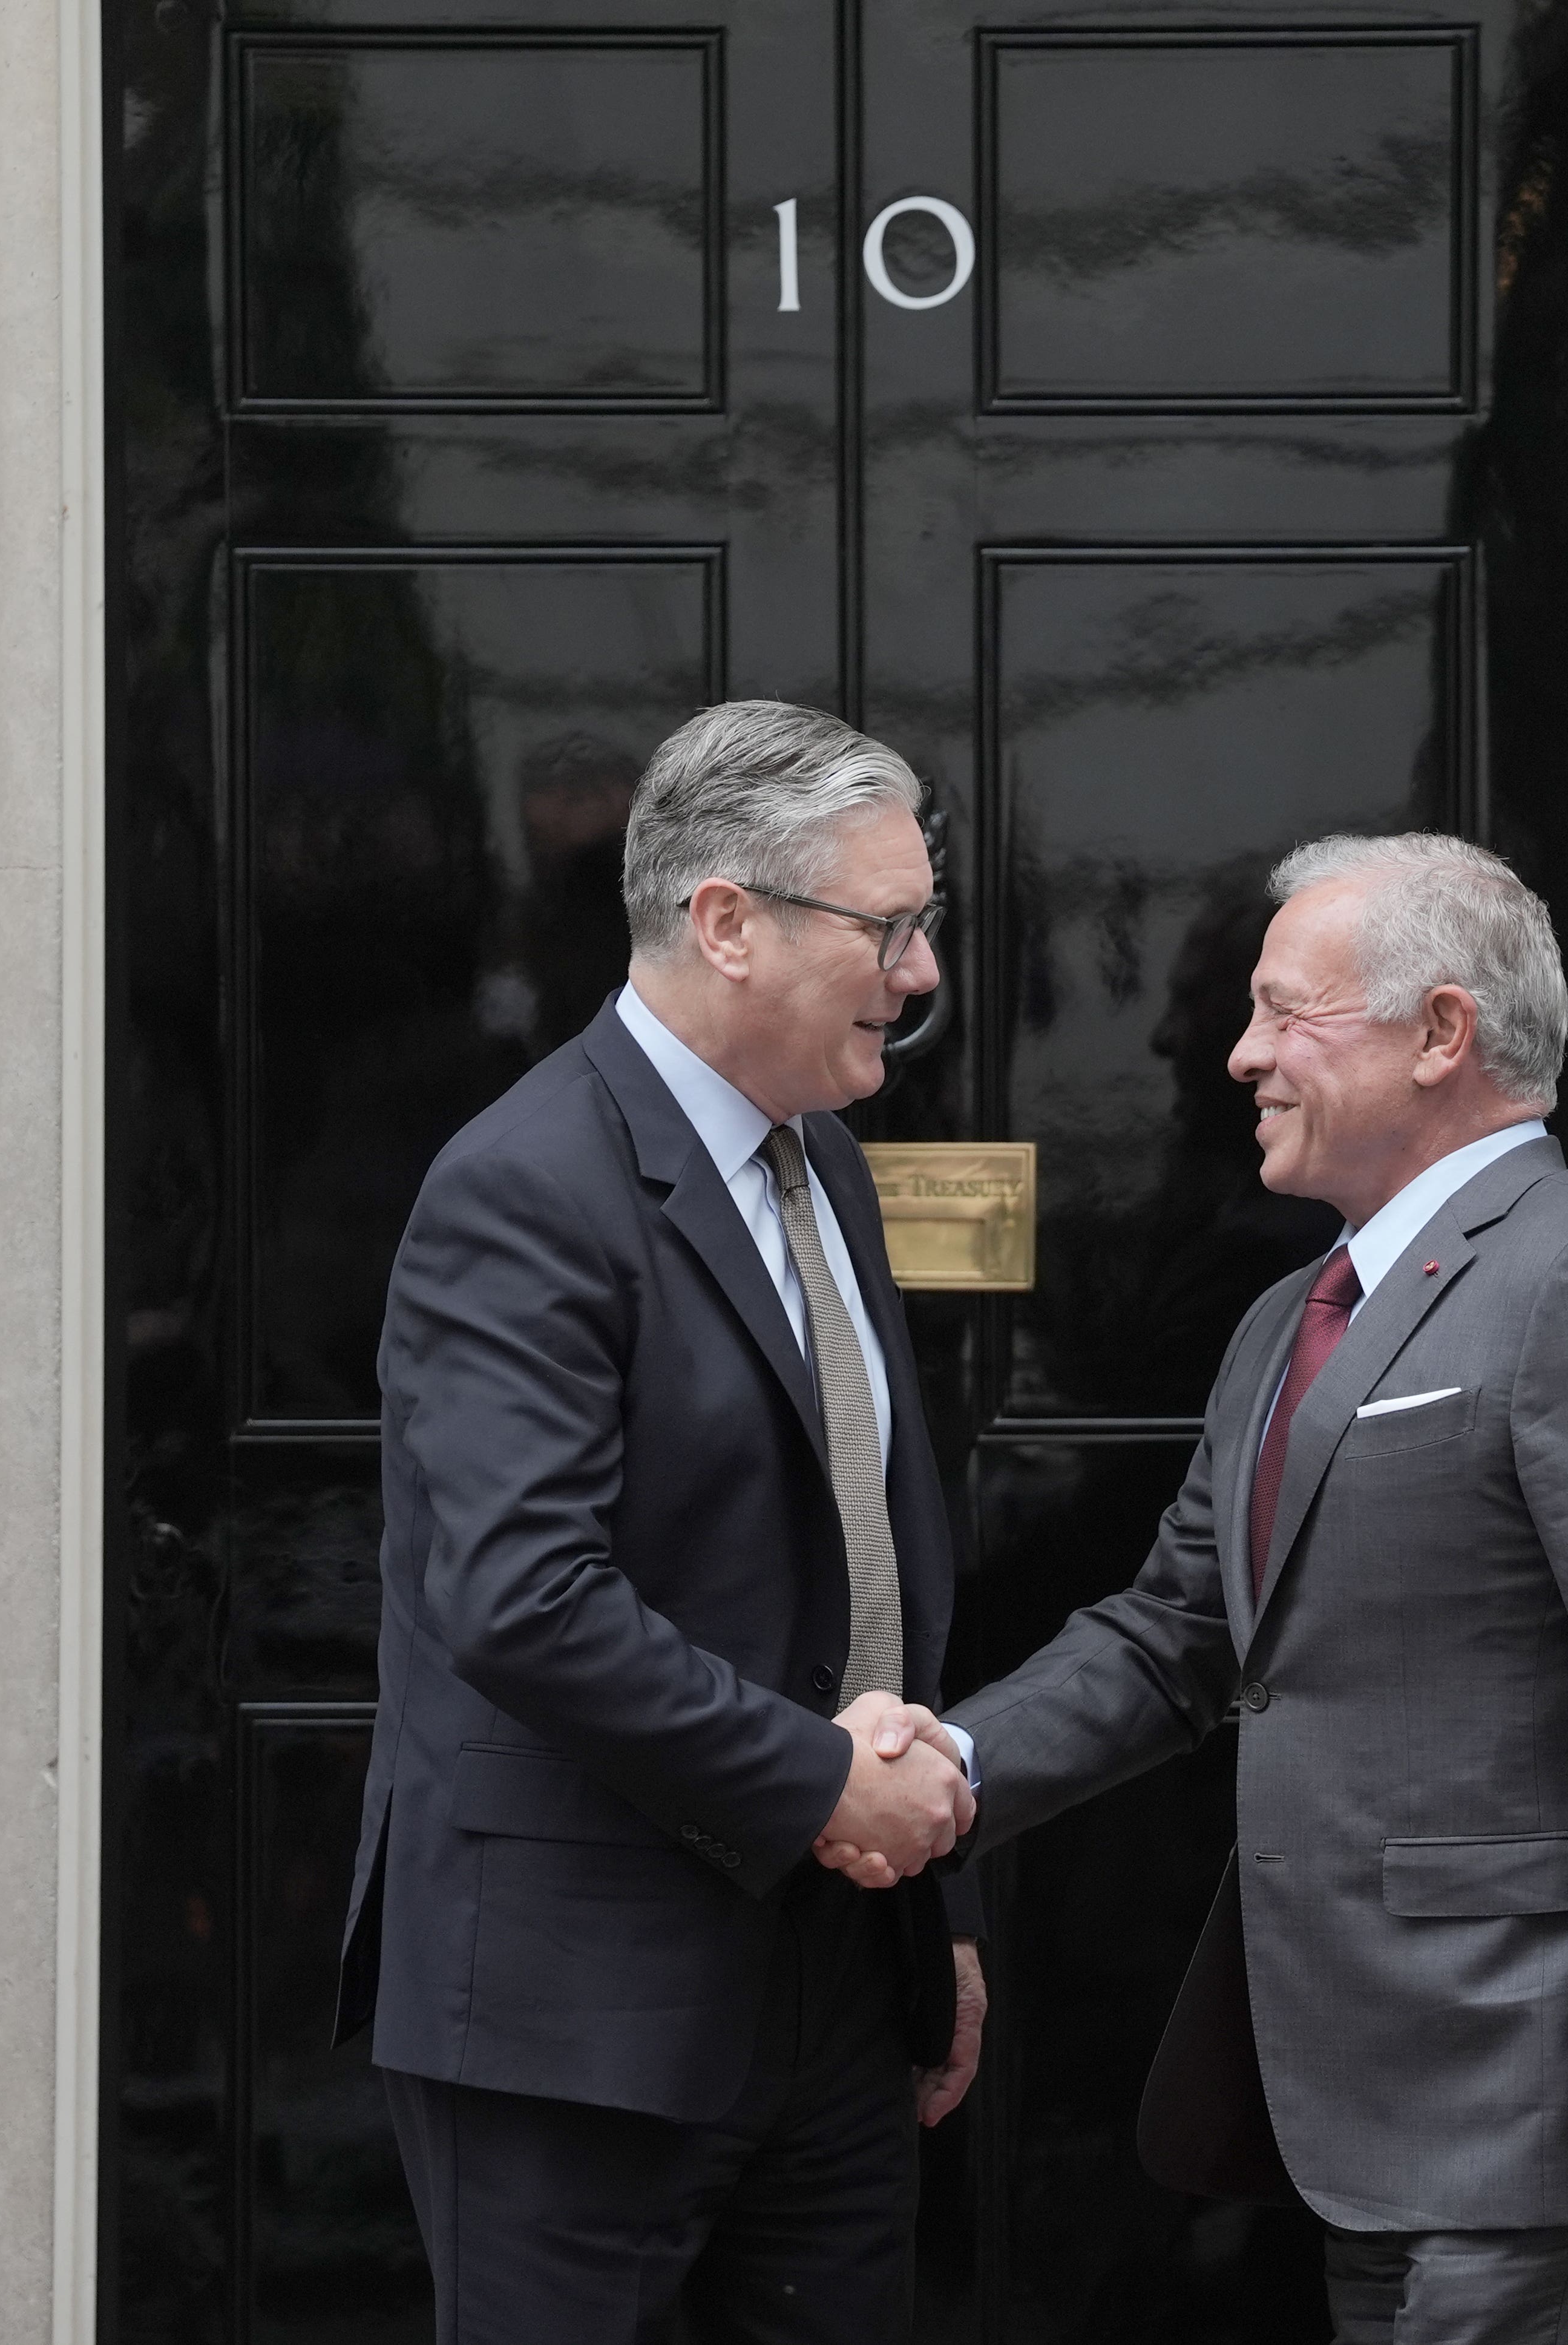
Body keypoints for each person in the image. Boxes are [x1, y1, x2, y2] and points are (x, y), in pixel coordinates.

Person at [834, 833, 1568, 2343]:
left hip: (1555, 2083)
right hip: (1365, 2103)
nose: (1241, 1056)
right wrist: (950, 1763)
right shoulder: (1295, 1314)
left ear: (1441, 1032)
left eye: (1288, 1012)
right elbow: (1172, 1636)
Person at [338, 701, 986, 2344]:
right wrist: (823, 1780)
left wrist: (938, 1912)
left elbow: (868, 1562)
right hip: (577, 2016)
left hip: (841, 1984)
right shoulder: (525, 1186)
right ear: (726, 923)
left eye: (923, 925)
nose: (920, 972)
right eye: (888, 927)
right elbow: (523, 1597)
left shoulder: (829, 1168)